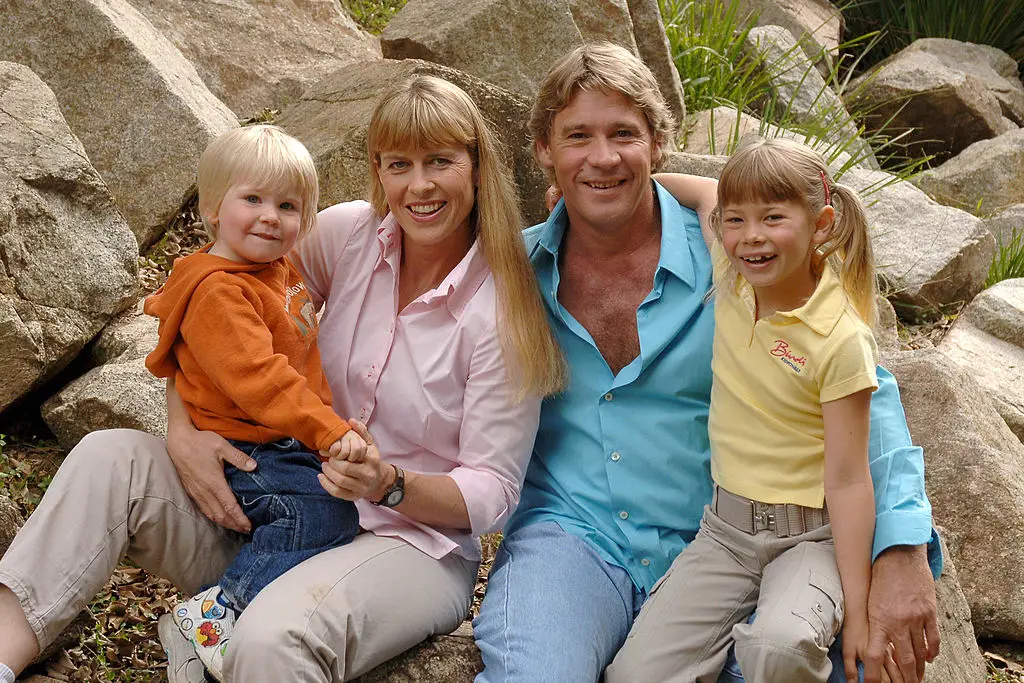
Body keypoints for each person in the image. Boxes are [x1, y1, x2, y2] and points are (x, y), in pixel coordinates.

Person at [0, 74, 563, 683]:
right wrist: (183, 427)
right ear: (378, 171)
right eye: (400, 163)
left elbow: (492, 490)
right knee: (108, 458)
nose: (419, 185)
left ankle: (219, 628)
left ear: (477, 169)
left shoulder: (504, 311)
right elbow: (218, 312)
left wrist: (388, 483)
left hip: (409, 546)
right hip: (282, 507)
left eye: (441, 162)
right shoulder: (347, 235)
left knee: (269, 643)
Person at [472, 42, 940, 683]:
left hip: (728, 538)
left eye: (624, 134)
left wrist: (903, 546)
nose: (602, 157)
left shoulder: (737, 251)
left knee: (798, 661)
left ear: (659, 143)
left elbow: (863, 392)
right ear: (543, 152)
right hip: (572, 538)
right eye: (577, 136)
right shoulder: (512, 274)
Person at [605, 138, 879, 683]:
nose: (751, 236)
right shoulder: (730, 278)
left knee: (778, 650)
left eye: (774, 218)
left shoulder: (840, 339)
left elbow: (849, 480)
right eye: (737, 221)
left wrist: (861, 610)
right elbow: (706, 191)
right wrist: (616, 191)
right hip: (725, 533)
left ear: (821, 223)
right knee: (635, 675)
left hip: (809, 538)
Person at [142, 124, 370, 680]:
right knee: (318, 514)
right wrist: (327, 431)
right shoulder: (221, 291)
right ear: (214, 208)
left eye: (288, 205)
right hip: (245, 444)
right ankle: (220, 613)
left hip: (280, 435)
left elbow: (298, 360)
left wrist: (328, 425)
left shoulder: (271, 269)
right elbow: (262, 380)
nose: (272, 216)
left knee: (334, 516)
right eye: (253, 200)